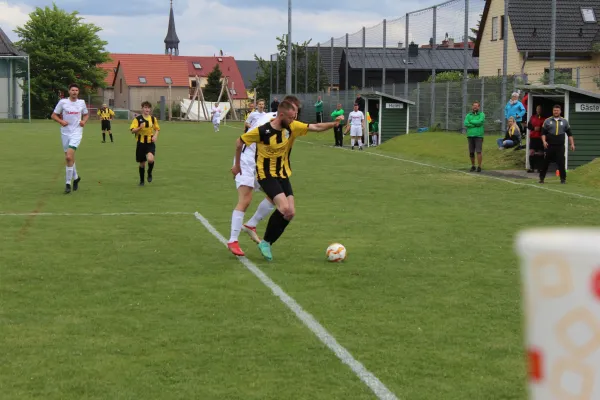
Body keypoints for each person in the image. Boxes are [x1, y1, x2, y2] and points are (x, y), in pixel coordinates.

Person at [232, 100, 343, 261]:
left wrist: (334, 124)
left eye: (295, 116)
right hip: (266, 175)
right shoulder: (263, 131)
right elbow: (239, 142)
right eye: (291, 117)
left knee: (290, 213)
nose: (293, 120)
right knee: (283, 207)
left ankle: (266, 242)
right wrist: (237, 165)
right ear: (281, 115)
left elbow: (315, 127)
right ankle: (251, 229)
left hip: (283, 174)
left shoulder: (292, 127)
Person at [227, 98, 272, 256]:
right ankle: (233, 240)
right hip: (246, 161)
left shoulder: (283, 124)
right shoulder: (268, 122)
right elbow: (239, 142)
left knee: (275, 195)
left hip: (259, 163)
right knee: (246, 199)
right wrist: (237, 165)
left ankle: (251, 225)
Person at [51, 83, 89, 194]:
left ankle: (68, 183)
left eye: (76, 90)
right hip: (65, 133)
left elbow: (86, 115)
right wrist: (61, 121)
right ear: (69, 91)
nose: (74, 92)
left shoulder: (81, 103)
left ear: (78, 92)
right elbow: (54, 115)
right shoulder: (63, 102)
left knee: (68, 157)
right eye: (72, 90)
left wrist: (84, 121)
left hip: (77, 133)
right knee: (70, 157)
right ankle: (76, 177)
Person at [539, 105, 575, 184]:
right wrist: (544, 141)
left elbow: (570, 134)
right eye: (555, 110)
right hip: (550, 145)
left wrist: (572, 144)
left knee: (561, 162)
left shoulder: (564, 121)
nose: (556, 112)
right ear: (553, 111)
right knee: (546, 162)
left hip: (560, 146)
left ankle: (563, 179)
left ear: (560, 111)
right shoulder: (547, 121)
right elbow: (543, 133)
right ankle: (541, 178)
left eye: (557, 110)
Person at [129, 101, 160, 186]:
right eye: (145, 107)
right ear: (142, 108)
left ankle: (149, 172)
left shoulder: (153, 119)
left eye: (148, 108)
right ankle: (142, 181)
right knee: (142, 164)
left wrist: (156, 136)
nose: (147, 109)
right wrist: (139, 127)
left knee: (150, 159)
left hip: (150, 143)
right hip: (141, 144)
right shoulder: (137, 119)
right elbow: (132, 131)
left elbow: (157, 129)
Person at [463, 101, 485, 172]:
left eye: (476, 106)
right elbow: (466, 123)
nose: (475, 107)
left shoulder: (482, 114)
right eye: (474, 105)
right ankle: (473, 165)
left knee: (478, 151)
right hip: (470, 135)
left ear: (479, 107)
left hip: (478, 135)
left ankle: (479, 166)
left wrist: (471, 121)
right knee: (471, 152)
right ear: (472, 107)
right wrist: (475, 123)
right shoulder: (468, 115)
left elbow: (480, 122)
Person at [527, 105, 545, 173]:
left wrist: (540, 129)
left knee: (541, 153)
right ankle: (532, 168)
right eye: (537, 109)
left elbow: (546, 128)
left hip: (540, 138)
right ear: (536, 110)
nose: (539, 110)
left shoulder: (544, 118)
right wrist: (533, 128)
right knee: (532, 152)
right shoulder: (532, 117)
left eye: (540, 109)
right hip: (533, 137)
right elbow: (528, 126)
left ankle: (540, 168)